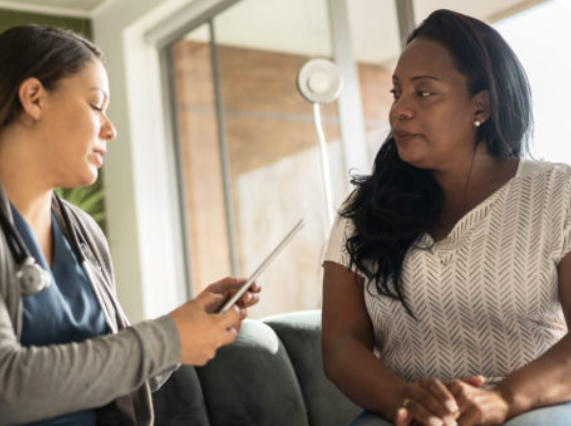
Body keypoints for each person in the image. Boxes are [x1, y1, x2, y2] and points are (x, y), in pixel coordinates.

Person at [0, 24, 260, 426]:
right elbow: (7, 388)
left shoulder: (82, 232)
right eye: (96, 105)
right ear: (34, 97)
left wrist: (185, 327)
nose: (111, 129)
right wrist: (168, 338)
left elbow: (116, 376)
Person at [322, 9, 571, 426]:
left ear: (481, 105)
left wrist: (503, 399)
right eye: (397, 93)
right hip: (404, 410)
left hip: (531, 405)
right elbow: (339, 343)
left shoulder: (558, 193)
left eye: (424, 93)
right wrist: (404, 400)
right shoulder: (362, 209)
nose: (399, 110)